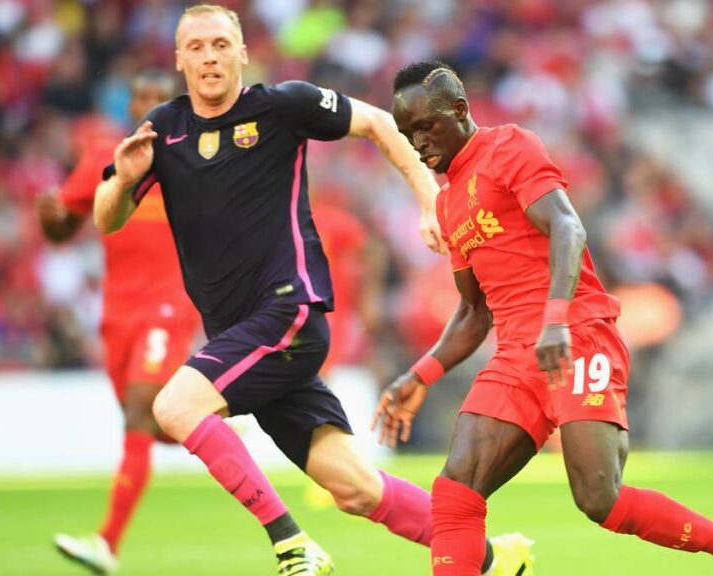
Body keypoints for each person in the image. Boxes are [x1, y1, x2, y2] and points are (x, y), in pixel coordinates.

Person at [92, 6, 530, 576]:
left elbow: (378, 122)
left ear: (242, 52)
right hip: (240, 335)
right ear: (179, 59)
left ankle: (292, 544)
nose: (209, 57)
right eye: (196, 47)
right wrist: (123, 181)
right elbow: (107, 218)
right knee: (355, 488)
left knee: (175, 406)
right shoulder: (164, 128)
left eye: (221, 44)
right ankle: (494, 560)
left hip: (287, 312)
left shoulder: (282, 106)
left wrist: (431, 200)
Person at [375, 60, 713, 576]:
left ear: (459, 110)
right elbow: (473, 312)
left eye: (425, 126)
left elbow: (568, 228)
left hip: (577, 336)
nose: (418, 143)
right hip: (516, 357)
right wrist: (421, 374)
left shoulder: (510, 147)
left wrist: (555, 320)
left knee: (599, 499)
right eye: (407, 133)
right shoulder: (448, 203)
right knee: (455, 489)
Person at [38, 71, 201, 574]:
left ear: (174, 105)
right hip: (116, 312)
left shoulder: (194, 157)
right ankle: (215, 417)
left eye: (160, 98)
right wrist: (50, 217)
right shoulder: (102, 157)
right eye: (142, 98)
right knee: (154, 425)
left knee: (137, 414)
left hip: (169, 304)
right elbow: (62, 228)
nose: (150, 105)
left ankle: (106, 543)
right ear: (130, 105)